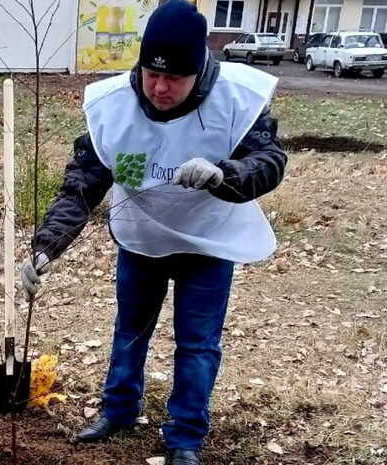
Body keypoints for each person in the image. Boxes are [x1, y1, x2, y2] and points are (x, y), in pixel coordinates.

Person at [20, 2, 286, 464]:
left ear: (200, 70)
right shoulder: (114, 109)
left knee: (198, 342)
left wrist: (227, 175)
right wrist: (46, 247)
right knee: (130, 330)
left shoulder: (237, 101)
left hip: (208, 240)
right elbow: (81, 187)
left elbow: (269, 162)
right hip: (142, 238)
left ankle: (185, 437)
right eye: (151, 75)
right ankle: (118, 412)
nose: (160, 88)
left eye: (175, 79)